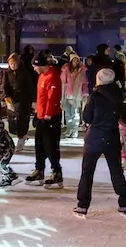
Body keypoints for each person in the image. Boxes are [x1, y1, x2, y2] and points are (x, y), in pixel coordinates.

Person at [73, 68, 126, 219]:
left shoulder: (95, 96)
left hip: (95, 138)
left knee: (87, 172)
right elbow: (123, 116)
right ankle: (123, 203)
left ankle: (82, 205)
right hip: (112, 137)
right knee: (116, 171)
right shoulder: (118, 96)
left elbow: (87, 117)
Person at [29, 53, 64, 185]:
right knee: (39, 144)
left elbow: (52, 97)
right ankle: (39, 169)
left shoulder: (53, 76)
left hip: (51, 117)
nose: (34, 69)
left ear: (41, 65)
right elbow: (41, 97)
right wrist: (37, 112)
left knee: (51, 145)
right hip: (41, 116)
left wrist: (48, 115)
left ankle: (56, 171)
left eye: (35, 66)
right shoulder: (42, 76)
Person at [61, 52, 87, 138]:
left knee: (74, 113)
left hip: (77, 94)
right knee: (68, 113)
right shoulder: (66, 70)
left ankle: (75, 130)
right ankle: (69, 129)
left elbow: (85, 83)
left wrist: (85, 93)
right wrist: (62, 96)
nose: (75, 62)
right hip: (68, 94)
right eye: (74, 60)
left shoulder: (81, 71)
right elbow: (63, 82)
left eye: (77, 60)